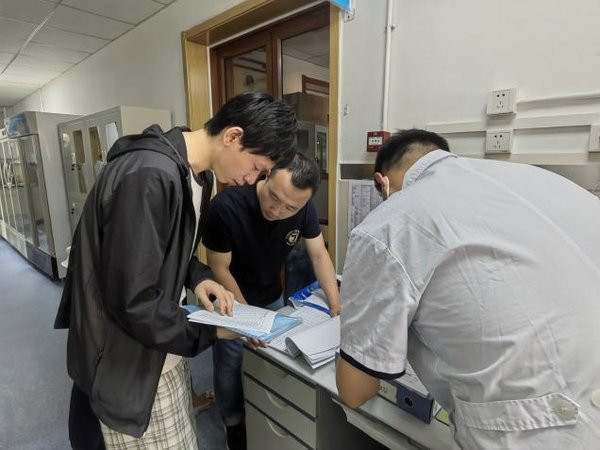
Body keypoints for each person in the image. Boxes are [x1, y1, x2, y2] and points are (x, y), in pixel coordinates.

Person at [54, 92, 298, 448]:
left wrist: (199, 279)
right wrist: (213, 331)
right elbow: (134, 301)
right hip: (126, 357)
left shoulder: (198, 177)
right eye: (256, 167)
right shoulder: (151, 175)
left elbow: (167, 254)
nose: (250, 180)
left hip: (159, 347)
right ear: (233, 136)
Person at [336, 129, 600, 449]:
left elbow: (355, 392)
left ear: (382, 182)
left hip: (538, 430)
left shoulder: (389, 222)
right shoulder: (541, 180)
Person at [203, 152, 340, 449]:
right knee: (230, 362)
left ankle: (260, 409)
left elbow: (319, 255)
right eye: (274, 197)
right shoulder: (226, 207)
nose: (277, 210)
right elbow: (219, 268)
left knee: (270, 359)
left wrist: (336, 304)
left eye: (290, 207)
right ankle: (233, 422)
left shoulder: (304, 210)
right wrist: (248, 320)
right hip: (229, 299)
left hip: (272, 296)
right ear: (266, 175)